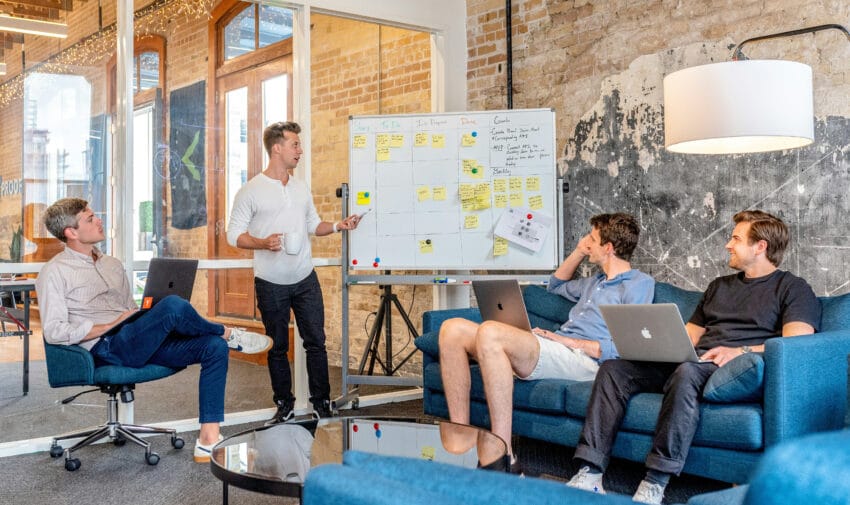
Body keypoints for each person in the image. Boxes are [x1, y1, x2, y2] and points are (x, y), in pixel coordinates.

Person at [567, 210, 822, 504]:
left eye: (736, 238)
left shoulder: (792, 288)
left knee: (686, 371)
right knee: (614, 369)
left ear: (760, 246)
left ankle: (655, 481)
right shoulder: (719, 286)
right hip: (694, 361)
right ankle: (591, 472)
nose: (728, 244)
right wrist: (653, 347)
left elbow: (797, 342)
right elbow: (688, 337)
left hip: (734, 368)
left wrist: (740, 350)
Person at [35, 198, 272, 463]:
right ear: (71, 232)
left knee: (212, 347)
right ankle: (227, 333)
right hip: (107, 347)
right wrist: (109, 325)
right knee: (173, 307)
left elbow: (129, 309)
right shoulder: (54, 272)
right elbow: (54, 331)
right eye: (90, 219)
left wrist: (143, 315)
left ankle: (208, 439)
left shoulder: (111, 264)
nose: (99, 220)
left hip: (134, 338)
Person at [439, 213, 655, 469]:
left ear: (608, 248)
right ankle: (461, 434)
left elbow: (629, 345)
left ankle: (504, 453)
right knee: (451, 329)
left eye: (592, 239)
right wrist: (577, 252)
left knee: (491, 332)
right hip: (558, 349)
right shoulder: (594, 283)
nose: (586, 241)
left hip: (585, 361)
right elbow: (554, 285)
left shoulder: (639, 284)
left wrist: (569, 342)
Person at [226, 121, 362, 423]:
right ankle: (284, 405)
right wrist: (262, 242)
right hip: (270, 283)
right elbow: (233, 234)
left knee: (316, 341)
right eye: (294, 144)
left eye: (299, 145)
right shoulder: (251, 190)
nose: (299, 150)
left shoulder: (300, 188)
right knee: (278, 345)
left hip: (305, 279)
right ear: (277, 148)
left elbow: (314, 225)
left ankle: (321, 402)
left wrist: (338, 225)